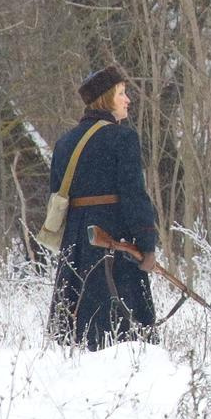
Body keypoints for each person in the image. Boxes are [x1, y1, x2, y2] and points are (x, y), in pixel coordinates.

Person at [47, 66, 161, 350]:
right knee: (120, 333)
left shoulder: (64, 143)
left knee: (77, 332)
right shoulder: (123, 138)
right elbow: (134, 194)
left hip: (75, 240)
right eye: (121, 93)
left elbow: (56, 193)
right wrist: (146, 242)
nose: (127, 100)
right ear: (106, 99)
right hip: (112, 239)